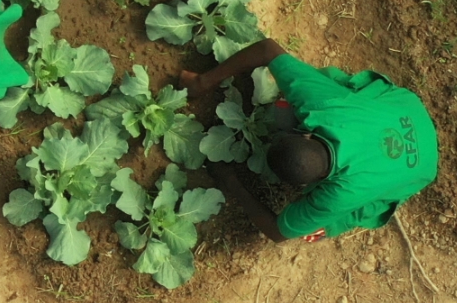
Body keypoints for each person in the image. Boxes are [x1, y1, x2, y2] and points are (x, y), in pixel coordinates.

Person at [180, 38, 438, 243]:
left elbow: (277, 233)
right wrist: (202, 82)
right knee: (286, 108)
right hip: (405, 109)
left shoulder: (337, 195)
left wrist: (229, 180)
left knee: (332, 221)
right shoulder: (323, 106)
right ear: (308, 134)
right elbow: (267, 48)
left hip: (419, 167)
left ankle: (330, 223)